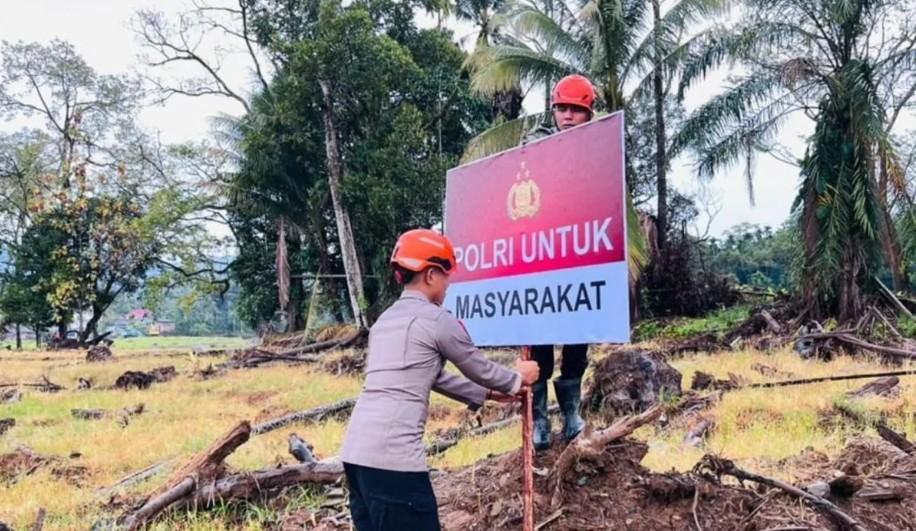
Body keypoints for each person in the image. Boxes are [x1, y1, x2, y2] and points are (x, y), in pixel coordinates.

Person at [340, 228, 541, 531]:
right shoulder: (436, 320)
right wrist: (517, 378)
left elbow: (432, 377)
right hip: (395, 462)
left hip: (356, 458)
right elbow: (479, 367)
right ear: (431, 274)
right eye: (447, 275)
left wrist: (485, 394)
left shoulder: (385, 322)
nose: (448, 284)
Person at [523, 74, 597, 451]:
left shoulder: (601, 146)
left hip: (581, 256)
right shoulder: (534, 142)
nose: (568, 116)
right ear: (553, 110)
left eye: (577, 111)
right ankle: (538, 420)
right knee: (538, 341)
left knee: (577, 337)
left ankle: (571, 414)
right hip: (541, 257)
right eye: (562, 109)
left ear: (589, 113)